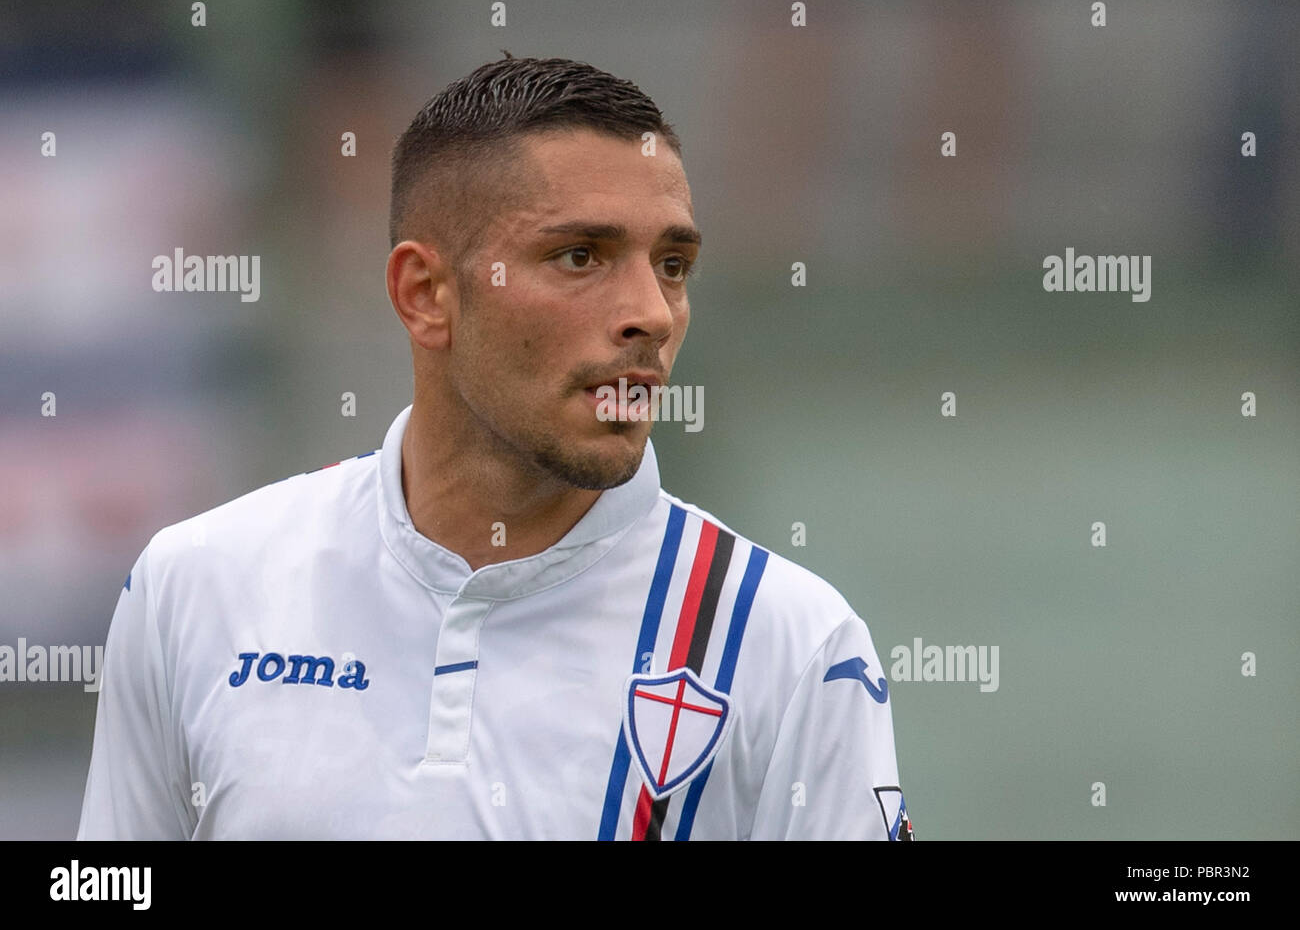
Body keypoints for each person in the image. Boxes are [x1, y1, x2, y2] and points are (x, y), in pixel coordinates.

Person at [77, 56, 909, 840]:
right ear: (426, 295)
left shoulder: (789, 643)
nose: (652, 313)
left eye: (673, 264)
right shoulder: (194, 586)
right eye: (581, 256)